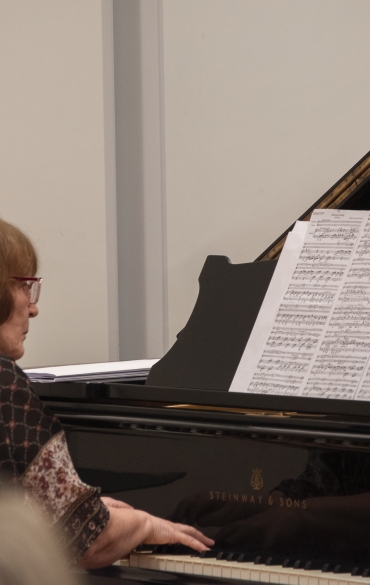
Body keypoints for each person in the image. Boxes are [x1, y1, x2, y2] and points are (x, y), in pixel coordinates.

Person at [0, 218, 213, 569]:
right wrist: (144, 522)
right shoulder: (5, 388)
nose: (33, 307)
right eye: (25, 286)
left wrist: (91, 509)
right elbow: (84, 540)